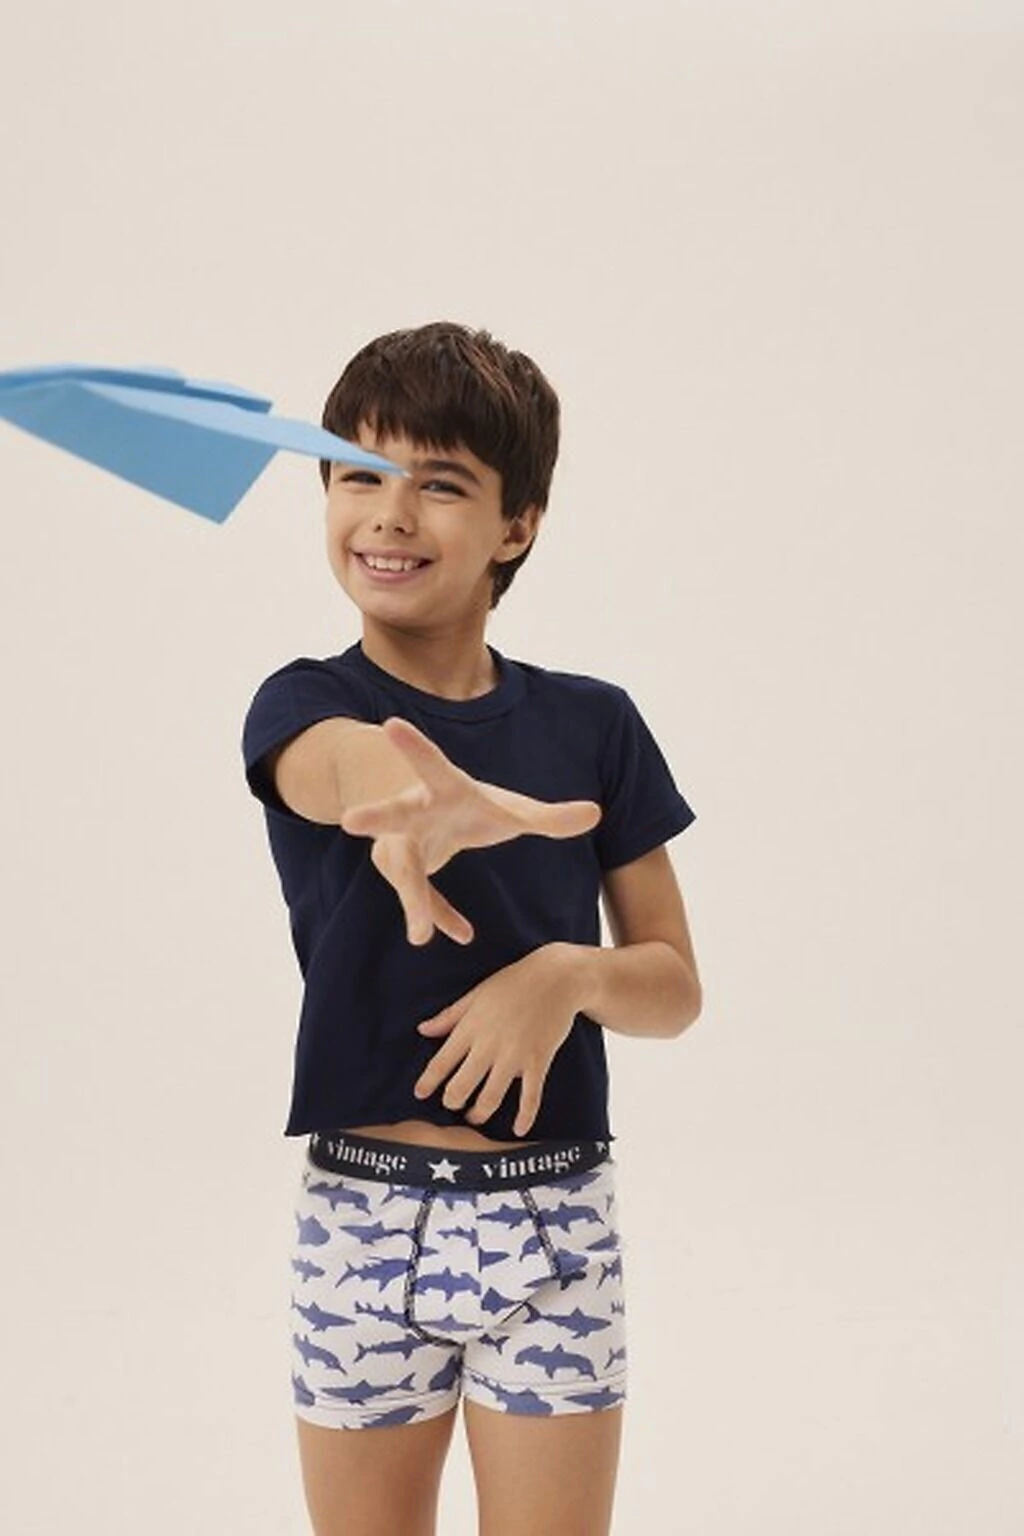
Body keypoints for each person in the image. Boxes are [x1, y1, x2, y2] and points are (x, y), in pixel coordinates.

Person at [240, 321, 702, 1536]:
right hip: (362, 1222)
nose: (389, 515)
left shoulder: (594, 726)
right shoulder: (306, 703)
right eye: (358, 476)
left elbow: (672, 987)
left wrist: (562, 977)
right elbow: (333, 770)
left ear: (516, 525)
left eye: (440, 485)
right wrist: (406, 801)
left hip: (552, 1219)